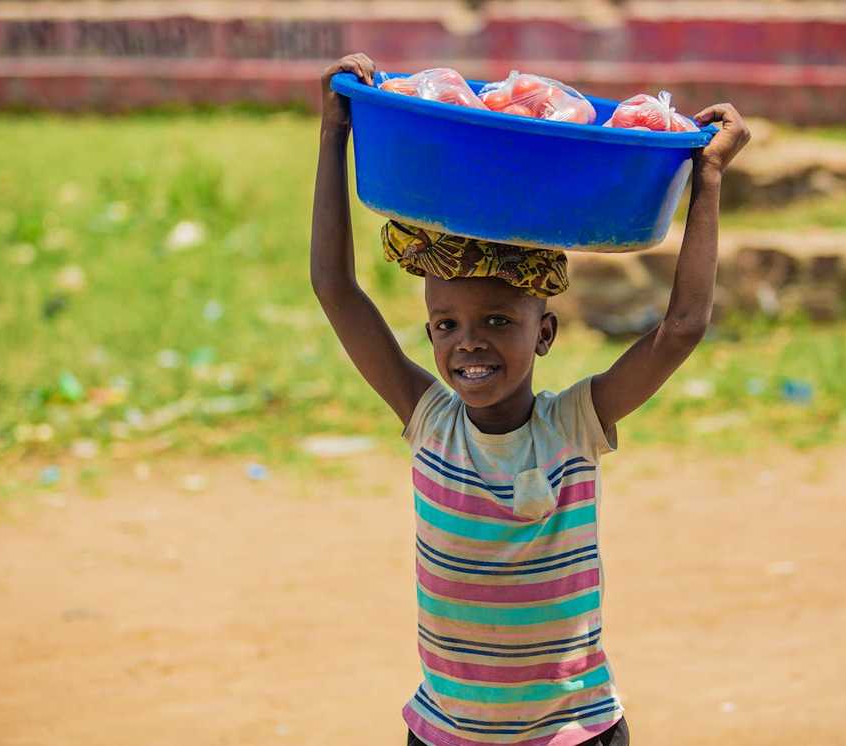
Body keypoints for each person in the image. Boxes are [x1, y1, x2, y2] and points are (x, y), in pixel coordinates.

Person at [311, 52, 750, 746]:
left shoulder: (576, 426)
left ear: (543, 331)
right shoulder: (427, 421)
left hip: (574, 734)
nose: (470, 345)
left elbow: (682, 328)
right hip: (447, 731)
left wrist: (711, 177)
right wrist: (337, 132)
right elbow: (336, 289)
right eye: (447, 325)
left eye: (498, 322)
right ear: (428, 333)